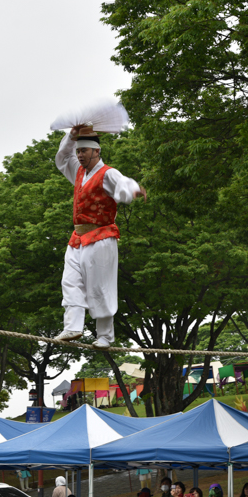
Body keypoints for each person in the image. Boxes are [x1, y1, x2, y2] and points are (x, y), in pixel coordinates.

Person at [52, 124, 147, 348]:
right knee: (70, 282)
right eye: (78, 151)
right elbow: (62, 158)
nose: (79, 155)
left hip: (101, 238)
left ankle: (105, 336)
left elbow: (122, 183)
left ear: (96, 151)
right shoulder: (78, 171)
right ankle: (73, 328)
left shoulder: (107, 173)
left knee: (99, 287)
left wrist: (132, 190)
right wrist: (71, 136)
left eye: (83, 151)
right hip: (77, 239)